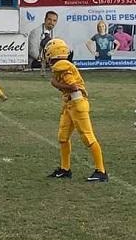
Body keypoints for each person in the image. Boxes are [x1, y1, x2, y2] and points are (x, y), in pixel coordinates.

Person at [44, 38, 107, 182]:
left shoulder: (62, 65)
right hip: (70, 104)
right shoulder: (62, 65)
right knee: (63, 137)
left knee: (87, 137)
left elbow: (73, 87)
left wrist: (56, 84)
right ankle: (65, 169)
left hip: (77, 103)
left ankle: (101, 171)